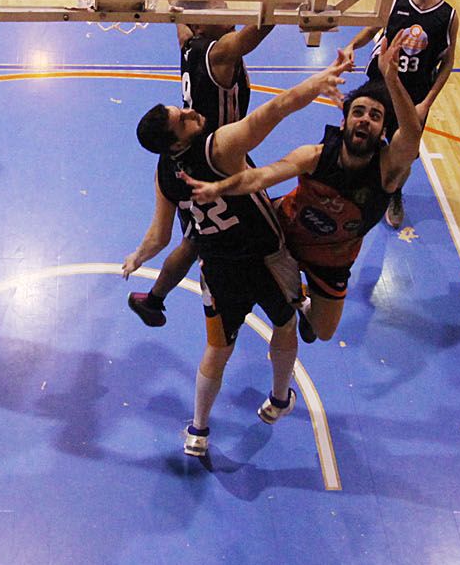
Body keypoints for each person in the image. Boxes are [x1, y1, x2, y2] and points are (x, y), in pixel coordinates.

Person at [127, 55, 350, 458]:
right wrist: (320, 80)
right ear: (178, 140)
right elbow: (276, 109)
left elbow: (159, 235)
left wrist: (136, 257)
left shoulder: (163, 173)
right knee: (284, 325)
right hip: (265, 258)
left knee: (218, 348)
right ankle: (280, 399)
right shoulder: (219, 146)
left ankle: (198, 430)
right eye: (184, 118)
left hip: (218, 269)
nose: (193, 111)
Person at [182, 30, 423, 380]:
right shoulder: (315, 155)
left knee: (322, 332)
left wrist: (391, 78)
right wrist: (219, 186)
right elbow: (261, 177)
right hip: (283, 233)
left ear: (383, 130)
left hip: (332, 258)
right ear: (344, 122)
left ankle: (299, 298)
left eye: (374, 116)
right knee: (219, 238)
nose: (365, 119)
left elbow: (412, 135)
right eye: (358, 112)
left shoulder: (387, 170)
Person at [126, 15, 277, 327]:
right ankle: (290, 298)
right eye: (217, 10)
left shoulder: (188, 43)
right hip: (219, 157)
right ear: (204, 28)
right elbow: (260, 28)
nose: (228, 11)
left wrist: (174, 3)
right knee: (267, 224)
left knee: (195, 239)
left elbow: (181, 24)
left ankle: (154, 300)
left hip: (192, 151)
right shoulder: (220, 53)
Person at [340, 0, 459, 228]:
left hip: (413, 96)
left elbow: (447, 64)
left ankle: (393, 192)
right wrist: (351, 46)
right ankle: (349, 185)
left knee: (405, 154)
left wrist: (427, 103)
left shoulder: (448, 16)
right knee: (360, 137)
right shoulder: (394, 2)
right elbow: (371, 29)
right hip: (380, 88)